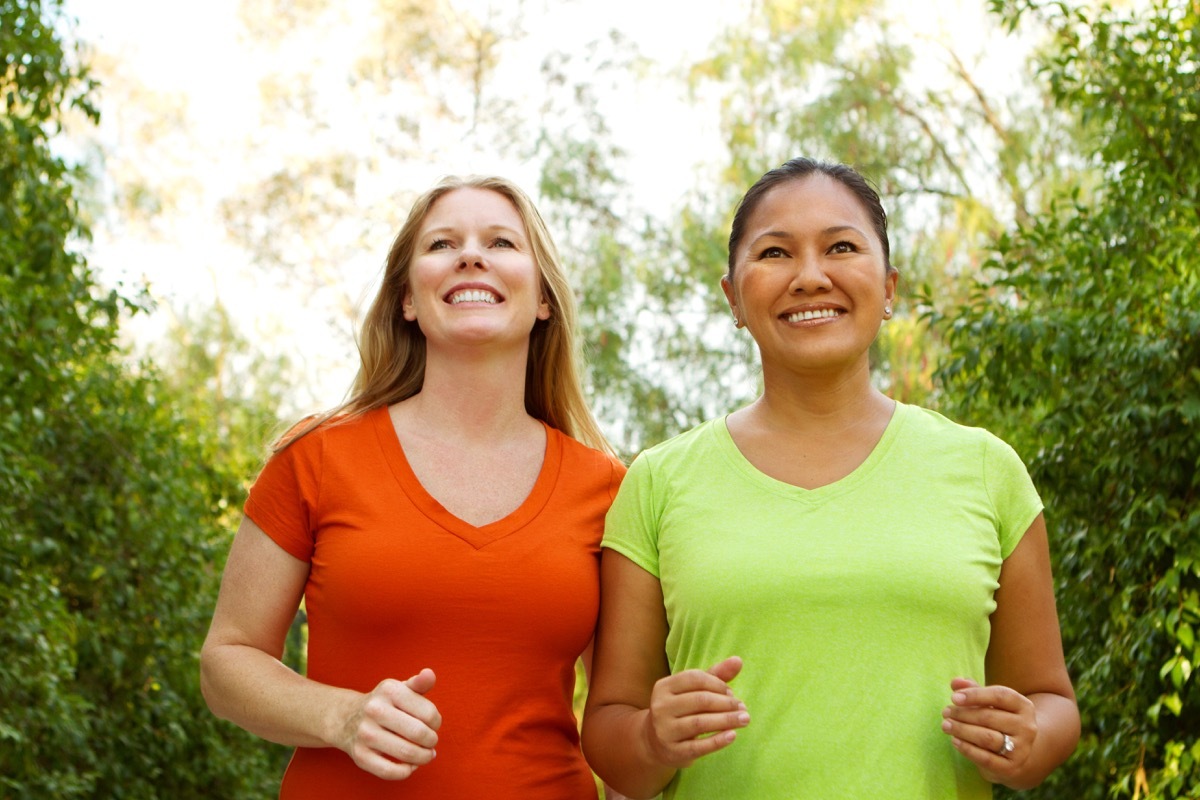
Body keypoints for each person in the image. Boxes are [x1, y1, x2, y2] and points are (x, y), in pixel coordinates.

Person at [580, 157, 1080, 799]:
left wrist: (1026, 740)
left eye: (841, 247)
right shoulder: (656, 482)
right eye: (775, 253)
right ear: (733, 297)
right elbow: (610, 730)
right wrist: (651, 738)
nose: (810, 276)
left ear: (890, 286)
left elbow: (1051, 702)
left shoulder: (986, 470)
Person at [200, 175, 625, 799]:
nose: (470, 255)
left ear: (543, 300)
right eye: (442, 244)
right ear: (407, 300)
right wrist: (340, 717)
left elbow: (621, 719)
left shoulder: (607, 486)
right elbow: (226, 662)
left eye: (502, 242)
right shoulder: (315, 457)